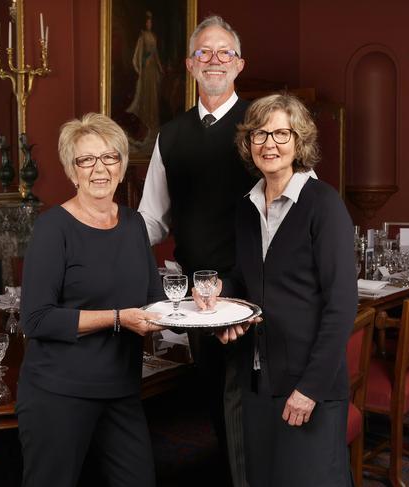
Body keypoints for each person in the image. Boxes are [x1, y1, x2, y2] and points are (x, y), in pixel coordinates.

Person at [201, 93, 357, 486]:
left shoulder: (324, 204)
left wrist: (310, 388)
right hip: (259, 379)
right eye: (260, 133)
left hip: (308, 384)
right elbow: (247, 277)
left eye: (281, 133)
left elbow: (341, 305)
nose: (269, 143)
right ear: (248, 142)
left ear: (299, 140)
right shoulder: (247, 207)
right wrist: (223, 290)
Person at [17, 113, 165, 487]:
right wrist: (116, 318)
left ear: (122, 165)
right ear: (72, 171)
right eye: (87, 160)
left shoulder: (133, 225)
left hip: (122, 388)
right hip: (58, 392)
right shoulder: (53, 228)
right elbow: (35, 319)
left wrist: (201, 310)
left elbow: (154, 300)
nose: (100, 169)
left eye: (109, 158)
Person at [138, 15, 254, 487]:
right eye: (203, 52)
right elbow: (151, 218)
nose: (214, 60)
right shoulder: (171, 135)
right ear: (189, 65)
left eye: (224, 51)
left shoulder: (260, 127)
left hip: (251, 287)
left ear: (239, 64)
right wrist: (100, 238)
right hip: (195, 297)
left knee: (243, 400)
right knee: (214, 399)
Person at [126, 11, 163, 144]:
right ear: (144, 23)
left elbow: (156, 54)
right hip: (146, 69)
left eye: (150, 22)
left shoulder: (153, 36)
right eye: (147, 22)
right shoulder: (142, 36)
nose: (149, 24)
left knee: (153, 94)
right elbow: (138, 53)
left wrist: (160, 67)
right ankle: (145, 122)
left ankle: (153, 123)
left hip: (152, 69)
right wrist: (140, 67)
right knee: (146, 94)